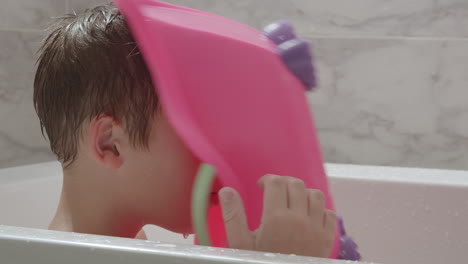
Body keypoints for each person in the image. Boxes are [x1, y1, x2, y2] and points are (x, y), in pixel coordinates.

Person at [33, 3, 336, 258]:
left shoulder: (120, 246)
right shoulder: (67, 259)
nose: (222, 157)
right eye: (200, 131)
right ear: (110, 144)